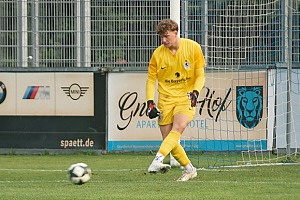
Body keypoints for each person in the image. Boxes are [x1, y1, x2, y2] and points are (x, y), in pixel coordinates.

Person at [146, 19, 206, 181]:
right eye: (161, 37)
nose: (163, 40)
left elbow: (200, 75)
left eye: (166, 36)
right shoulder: (157, 54)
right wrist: (150, 102)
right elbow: (151, 80)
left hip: (185, 98)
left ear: (175, 33)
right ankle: (189, 169)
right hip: (165, 100)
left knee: (178, 128)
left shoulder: (193, 47)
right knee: (169, 140)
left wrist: (195, 91)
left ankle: (157, 160)